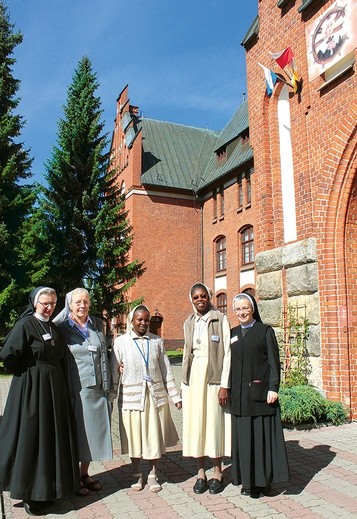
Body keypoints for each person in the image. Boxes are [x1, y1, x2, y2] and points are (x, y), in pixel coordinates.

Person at [0, 287, 79, 516]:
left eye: (53, 303)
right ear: (35, 303)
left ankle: (45, 491)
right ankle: (28, 494)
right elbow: (8, 354)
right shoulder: (26, 324)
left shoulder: (53, 327)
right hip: (32, 391)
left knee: (49, 439)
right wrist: (25, 373)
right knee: (32, 438)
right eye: (45, 302)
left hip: (53, 392)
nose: (49, 307)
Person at [111, 305, 181, 492]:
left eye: (146, 320)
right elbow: (114, 372)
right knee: (134, 438)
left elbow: (166, 370)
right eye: (139, 319)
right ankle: (136, 475)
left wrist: (175, 395)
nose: (143, 323)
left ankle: (152, 474)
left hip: (154, 397)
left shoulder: (156, 341)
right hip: (131, 398)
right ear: (132, 321)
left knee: (153, 437)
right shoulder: (121, 342)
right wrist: (110, 397)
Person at [230, 293, 290, 498]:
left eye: (245, 308)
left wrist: (274, 387)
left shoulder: (265, 331)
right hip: (239, 397)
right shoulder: (233, 333)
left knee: (260, 440)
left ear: (253, 308)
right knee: (244, 441)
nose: (242, 312)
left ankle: (263, 482)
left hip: (260, 394)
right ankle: (247, 482)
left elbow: (274, 361)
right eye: (238, 309)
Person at [54, 288, 112, 495]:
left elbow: (106, 352)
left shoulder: (97, 324)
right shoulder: (61, 328)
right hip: (74, 390)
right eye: (78, 302)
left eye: (86, 302)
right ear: (69, 304)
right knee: (76, 433)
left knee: (92, 433)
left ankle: (84, 473)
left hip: (96, 389)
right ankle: (72, 478)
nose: (82, 306)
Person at [181, 283, 231, 494]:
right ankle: (200, 472)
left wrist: (224, 385)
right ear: (191, 299)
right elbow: (186, 351)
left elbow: (228, 352)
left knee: (213, 423)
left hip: (213, 377)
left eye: (203, 296)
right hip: (193, 379)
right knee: (197, 425)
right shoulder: (189, 321)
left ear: (209, 297)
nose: (199, 299)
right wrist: (184, 382)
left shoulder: (220, 319)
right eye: (196, 297)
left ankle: (217, 471)